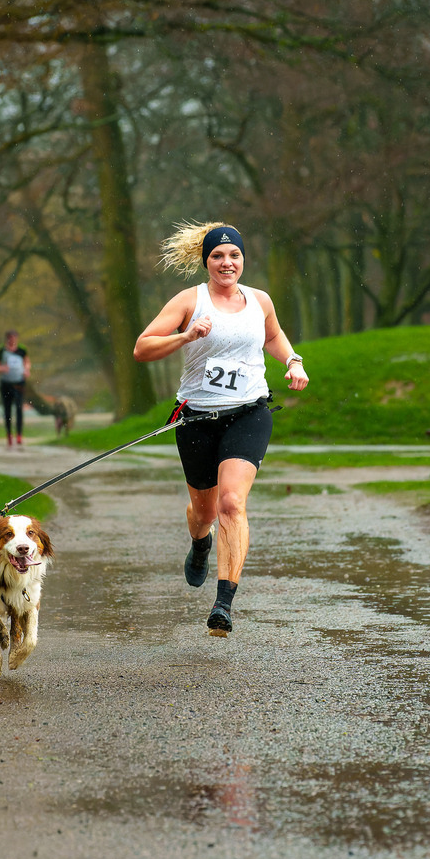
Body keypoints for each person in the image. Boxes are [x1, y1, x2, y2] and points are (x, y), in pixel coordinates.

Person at [133, 222, 309, 636]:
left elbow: (274, 335)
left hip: (248, 412)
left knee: (232, 502)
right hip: (195, 417)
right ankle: (200, 543)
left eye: (234, 256)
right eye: (217, 256)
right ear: (206, 261)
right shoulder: (188, 301)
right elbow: (142, 348)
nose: (226, 263)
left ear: (243, 260)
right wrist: (186, 335)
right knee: (204, 512)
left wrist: (292, 360)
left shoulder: (260, 300)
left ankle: (224, 603)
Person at [0, 330, 30, 446]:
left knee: (19, 409)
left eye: (14, 338)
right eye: (10, 338)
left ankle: (19, 434)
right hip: (6, 384)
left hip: (19, 383)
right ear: (7, 339)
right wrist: (2, 369)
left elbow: (27, 363)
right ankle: (9, 434)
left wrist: (27, 370)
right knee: (7, 410)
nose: (12, 340)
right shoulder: (1, 351)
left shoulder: (22, 350)